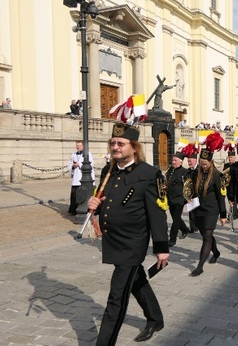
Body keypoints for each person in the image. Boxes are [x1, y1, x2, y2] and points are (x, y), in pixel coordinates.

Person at [88, 122, 169, 344]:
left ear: (134, 147)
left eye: (121, 143)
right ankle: (155, 318)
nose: (115, 147)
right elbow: (106, 203)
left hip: (133, 244)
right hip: (113, 240)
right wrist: (94, 203)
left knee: (116, 297)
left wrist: (161, 248)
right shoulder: (109, 170)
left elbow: (158, 214)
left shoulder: (150, 174)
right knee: (136, 280)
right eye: (113, 143)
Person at [190, 132, 227, 276]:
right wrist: (190, 198)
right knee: (207, 235)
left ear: (211, 162)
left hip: (212, 210)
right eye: (201, 164)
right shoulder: (196, 173)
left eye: (205, 164)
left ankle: (200, 266)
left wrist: (223, 215)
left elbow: (220, 196)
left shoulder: (217, 176)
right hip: (198, 209)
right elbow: (192, 190)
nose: (203, 166)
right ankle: (216, 252)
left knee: (206, 236)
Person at [165, 151, 190, 246]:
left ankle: (172, 239)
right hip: (170, 198)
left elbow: (188, 187)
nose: (173, 162)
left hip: (179, 199)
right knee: (176, 217)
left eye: (175, 160)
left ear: (181, 162)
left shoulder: (185, 172)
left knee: (175, 220)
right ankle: (184, 229)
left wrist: (187, 198)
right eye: (173, 160)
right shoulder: (170, 169)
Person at [67, 140, 94, 215]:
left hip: (84, 178)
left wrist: (79, 165)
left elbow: (90, 165)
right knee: (74, 194)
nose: (78, 147)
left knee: (83, 194)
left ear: (83, 146)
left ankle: (85, 208)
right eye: (77, 145)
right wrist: (73, 166)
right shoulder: (73, 154)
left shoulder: (87, 154)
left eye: (79, 145)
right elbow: (69, 165)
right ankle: (73, 210)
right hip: (76, 178)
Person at [185, 144, 200, 234]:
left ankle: (198, 225)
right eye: (188, 161)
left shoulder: (199, 169)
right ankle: (192, 227)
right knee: (191, 210)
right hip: (190, 193)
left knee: (198, 211)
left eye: (190, 161)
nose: (189, 163)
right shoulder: (188, 171)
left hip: (198, 193)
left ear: (195, 161)